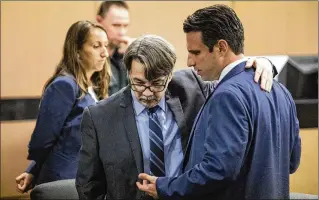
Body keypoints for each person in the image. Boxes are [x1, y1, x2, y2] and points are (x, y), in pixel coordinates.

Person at [75, 34, 276, 200]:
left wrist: (265, 63)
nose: (146, 92)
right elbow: (88, 187)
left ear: (170, 75)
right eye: (138, 82)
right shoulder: (99, 117)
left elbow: (233, 74)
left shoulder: (193, 87)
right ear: (128, 73)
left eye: (156, 84)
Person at [137, 5, 301, 200]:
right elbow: (292, 162)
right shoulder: (281, 91)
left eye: (196, 52)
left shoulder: (227, 95)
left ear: (221, 47)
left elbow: (218, 170)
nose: (189, 62)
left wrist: (166, 187)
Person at [15, 20, 111, 193]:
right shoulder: (64, 85)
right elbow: (43, 140)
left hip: (87, 179)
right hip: (64, 179)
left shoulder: (94, 87)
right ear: (78, 51)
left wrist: (32, 170)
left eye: (106, 45)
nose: (105, 53)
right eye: (97, 46)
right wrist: (34, 170)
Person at [96, 1, 133, 96]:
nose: (122, 32)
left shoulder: (124, 58)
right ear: (99, 21)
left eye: (125, 26)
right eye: (116, 25)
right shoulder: (89, 60)